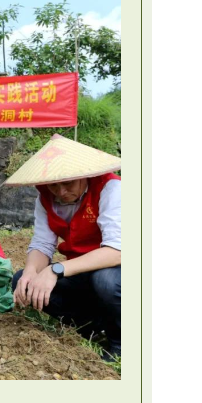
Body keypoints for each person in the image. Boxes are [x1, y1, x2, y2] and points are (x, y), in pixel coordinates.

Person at [8, 134, 122, 360]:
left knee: (105, 281)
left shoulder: (111, 189)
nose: (60, 192)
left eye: (68, 183)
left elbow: (117, 251)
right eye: (53, 185)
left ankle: (121, 341)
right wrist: (31, 271)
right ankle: (90, 326)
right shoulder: (45, 199)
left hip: (116, 270)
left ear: (84, 175)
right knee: (24, 281)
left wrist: (56, 269)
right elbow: (42, 244)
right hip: (81, 270)